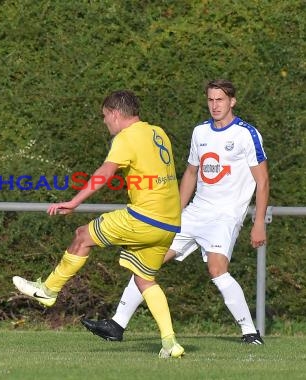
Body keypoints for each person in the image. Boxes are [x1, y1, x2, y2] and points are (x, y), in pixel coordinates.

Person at [82, 79, 269, 345]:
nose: (215, 105)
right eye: (211, 100)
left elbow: (262, 181)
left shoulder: (246, 134)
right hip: (193, 213)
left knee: (217, 269)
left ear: (232, 102)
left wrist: (258, 221)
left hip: (225, 216)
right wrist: (174, 212)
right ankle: (116, 324)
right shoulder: (200, 132)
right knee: (147, 261)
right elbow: (191, 173)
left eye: (220, 100)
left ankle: (250, 333)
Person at [13, 90, 185, 358]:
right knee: (144, 279)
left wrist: (74, 202)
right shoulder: (157, 131)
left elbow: (105, 172)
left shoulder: (125, 137)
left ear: (116, 113)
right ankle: (170, 342)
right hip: (170, 222)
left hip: (144, 217)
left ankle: (48, 290)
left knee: (82, 235)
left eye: (105, 116)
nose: (105, 122)